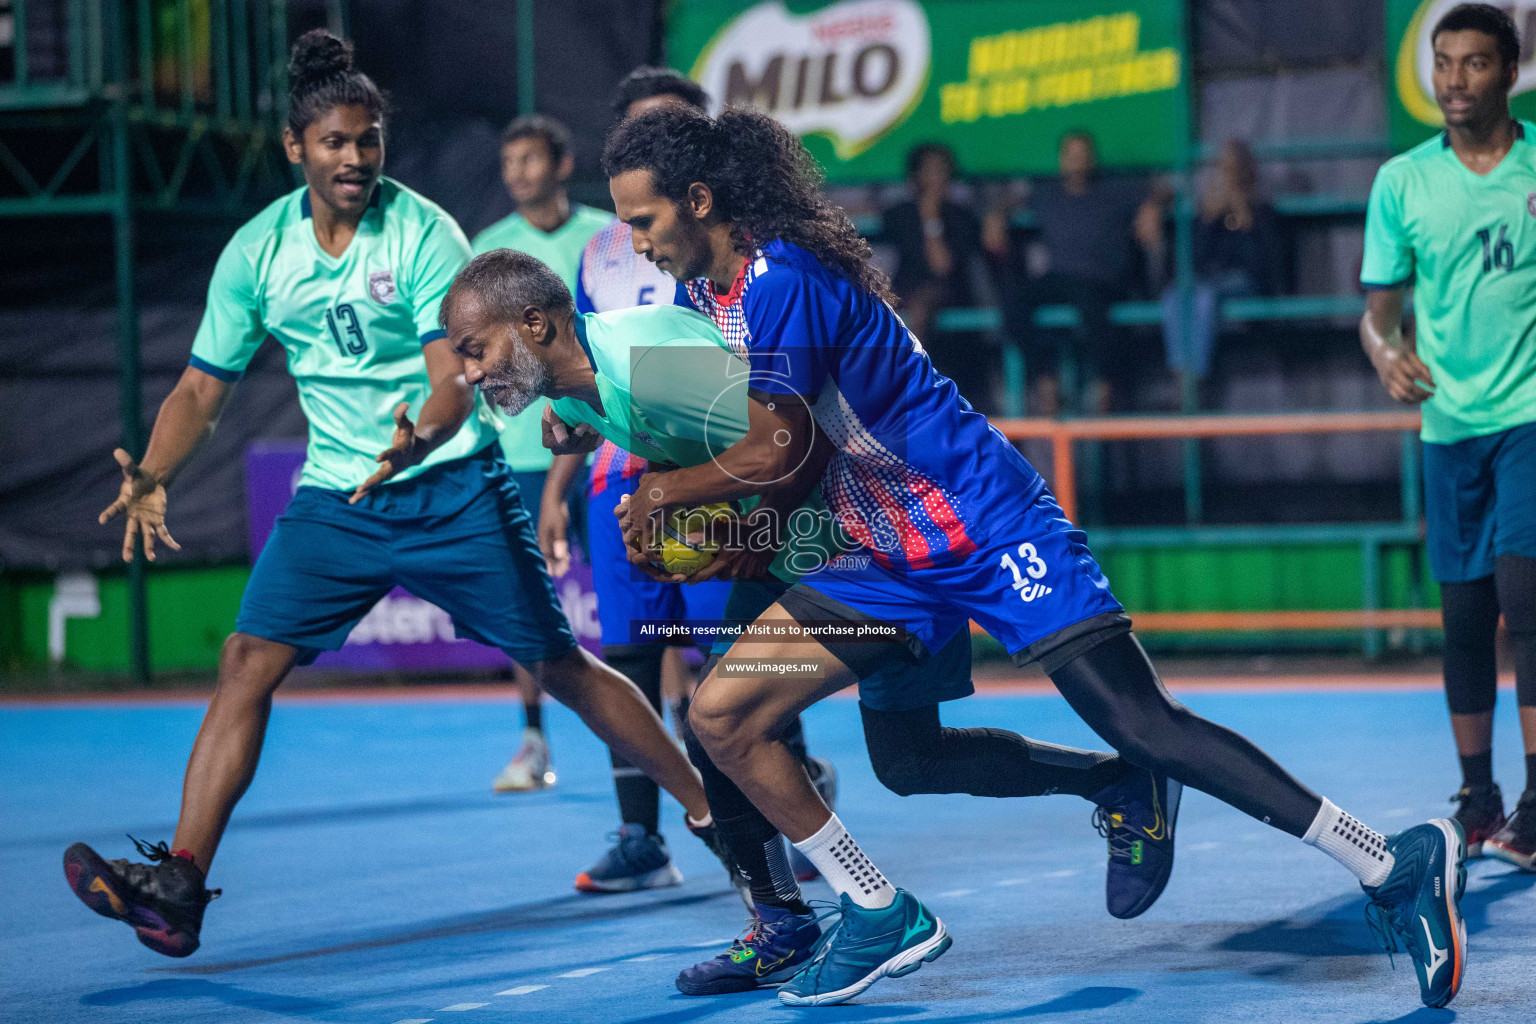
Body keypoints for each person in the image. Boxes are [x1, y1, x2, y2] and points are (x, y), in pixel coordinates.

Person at [603, 104, 1468, 1008]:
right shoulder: (700, 302)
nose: (634, 242)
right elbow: (785, 458)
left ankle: (1390, 862)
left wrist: (670, 494)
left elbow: (775, 445)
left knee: (1144, 722)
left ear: (699, 200)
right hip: (883, 558)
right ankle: (884, 907)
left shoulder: (783, 277)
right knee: (753, 724)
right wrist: (717, 539)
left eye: (643, 221)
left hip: (986, 522)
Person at [60, 30, 723, 959]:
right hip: (338, 500)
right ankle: (179, 886)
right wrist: (157, 472)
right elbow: (202, 387)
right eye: (335, 142)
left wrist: (424, 434)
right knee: (248, 659)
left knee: (564, 666)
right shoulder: (258, 253)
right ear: (296, 148)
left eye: (368, 141)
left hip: (449, 486)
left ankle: (715, 821)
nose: (355, 158)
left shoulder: (420, 234)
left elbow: (455, 376)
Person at [443, 248, 1182, 996]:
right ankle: (1112, 785)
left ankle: (843, 910)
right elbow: (692, 456)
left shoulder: (654, 361)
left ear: (535, 324)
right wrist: (672, 518)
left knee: (734, 723)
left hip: (866, 549)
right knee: (898, 759)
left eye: (475, 351)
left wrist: (697, 521)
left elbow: (797, 445)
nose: (469, 372)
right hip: (789, 550)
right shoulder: (574, 393)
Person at [543, 66, 839, 899]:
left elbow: (772, 410)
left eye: (669, 133)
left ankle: (800, 813)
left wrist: (697, 483)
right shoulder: (604, 249)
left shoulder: (748, 259)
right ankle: (645, 837)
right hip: (623, 477)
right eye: (639, 133)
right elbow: (583, 369)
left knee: (742, 663)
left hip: (722, 474)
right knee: (634, 660)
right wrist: (560, 469)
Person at [1360, 2, 1536, 871]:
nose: (1455, 80)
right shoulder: (1402, 182)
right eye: (1444, 63)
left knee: (1529, 603)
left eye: (1474, 63)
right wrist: (1387, 355)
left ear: (1510, 71)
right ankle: (1480, 796)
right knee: (1465, 618)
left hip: (1531, 417)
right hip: (1450, 426)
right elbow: (1378, 317)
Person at [473, 114, 615, 793]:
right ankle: (533, 741)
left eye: (533, 158)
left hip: (614, 447)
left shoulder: (607, 238)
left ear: (561, 164)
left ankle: (685, 721)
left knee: (642, 593)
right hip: (526, 459)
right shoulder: (491, 250)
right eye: (511, 161)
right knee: (527, 604)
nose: (521, 172)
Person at [1008, 131, 1163, 414]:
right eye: (1071, 154)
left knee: (1092, 306)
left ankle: (1105, 387)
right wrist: (996, 214)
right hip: (1060, 278)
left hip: (1103, 279)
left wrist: (1151, 206)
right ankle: (1046, 382)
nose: (1077, 161)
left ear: (1092, 158)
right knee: (1014, 302)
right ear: (1061, 159)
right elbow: (1011, 199)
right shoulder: (1046, 192)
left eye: (1083, 154)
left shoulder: (1115, 189)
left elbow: (1161, 188)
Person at [879, 143, 1001, 409]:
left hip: (952, 300)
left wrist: (932, 218)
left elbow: (942, 265)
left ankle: (909, 372)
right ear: (916, 176)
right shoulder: (899, 215)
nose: (939, 177)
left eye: (944, 170)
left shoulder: (960, 217)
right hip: (904, 296)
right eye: (931, 170)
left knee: (927, 300)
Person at [1159, 139, 1284, 387]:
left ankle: (1194, 378)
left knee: (1205, 295)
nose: (1228, 176)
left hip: (1245, 283)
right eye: (1223, 168)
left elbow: (1263, 266)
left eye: (1233, 168)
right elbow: (1195, 260)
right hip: (1209, 280)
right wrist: (1207, 220)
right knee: (1174, 294)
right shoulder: (1209, 211)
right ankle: (1180, 371)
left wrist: (1244, 217)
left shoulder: (1261, 210)